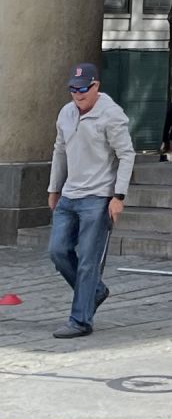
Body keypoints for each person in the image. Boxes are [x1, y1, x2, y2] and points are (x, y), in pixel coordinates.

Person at [47, 62, 134, 338]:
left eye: (84, 88)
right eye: (73, 89)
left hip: (97, 198)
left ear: (96, 86)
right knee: (58, 251)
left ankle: (80, 320)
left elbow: (127, 155)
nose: (78, 94)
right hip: (69, 195)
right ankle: (94, 291)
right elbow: (60, 151)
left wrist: (118, 196)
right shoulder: (66, 113)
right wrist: (53, 189)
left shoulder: (112, 115)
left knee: (88, 260)